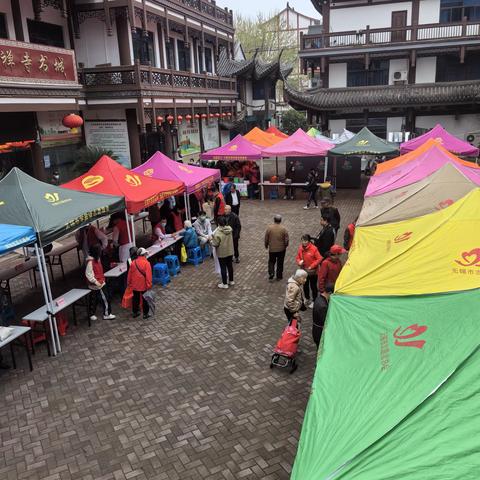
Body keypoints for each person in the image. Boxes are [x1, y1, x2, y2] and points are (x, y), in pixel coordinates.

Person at [85, 245, 115, 321]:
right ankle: (106, 314)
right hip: (98, 284)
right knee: (105, 298)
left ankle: (92, 313)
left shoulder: (97, 259)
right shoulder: (91, 262)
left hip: (100, 282)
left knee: (94, 299)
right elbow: (88, 274)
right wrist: (95, 281)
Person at [295, 234, 322, 308]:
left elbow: (319, 258)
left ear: (309, 241)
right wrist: (299, 262)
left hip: (313, 272)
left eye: (305, 241)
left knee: (313, 286)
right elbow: (298, 257)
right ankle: (307, 298)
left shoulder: (314, 249)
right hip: (304, 271)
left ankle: (314, 300)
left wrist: (311, 266)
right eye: (302, 241)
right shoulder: (300, 248)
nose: (304, 242)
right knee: (305, 285)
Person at [127, 247, 153, 319]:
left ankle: (135, 312)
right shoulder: (146, 263)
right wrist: (149, 285)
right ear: (143, 254)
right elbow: (149, 276)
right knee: (145, 299)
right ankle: (145, 314)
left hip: (135, 285)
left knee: (135, 298)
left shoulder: (133, 263)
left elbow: (129, 274)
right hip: (143, 285)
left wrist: (129, 283)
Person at [210, 216, 234, 288]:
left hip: (222, 253)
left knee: (223, 267)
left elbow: (215, 244)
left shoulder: (217, 233)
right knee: (230, 266)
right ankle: (231, 281)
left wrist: (211, 241)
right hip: (230, 251)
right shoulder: (229, 229)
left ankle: (224, 283)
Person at [264, 214, 289, 281]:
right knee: (280, 262)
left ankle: (271, 273)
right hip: (281, 249)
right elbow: (286, 239)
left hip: (272, 249)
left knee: (271, 261)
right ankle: (279, 275)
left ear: (274, 220)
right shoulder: (283, 229)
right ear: (280, 220)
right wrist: (285, 245)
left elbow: (266, 238)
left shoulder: (269, 228)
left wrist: (266, 245)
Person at [312, 283, 334, 349]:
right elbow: (326, 321)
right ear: (330, 293)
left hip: (316, 329)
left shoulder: (319, 298)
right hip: (319, 332)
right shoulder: (322, 306)